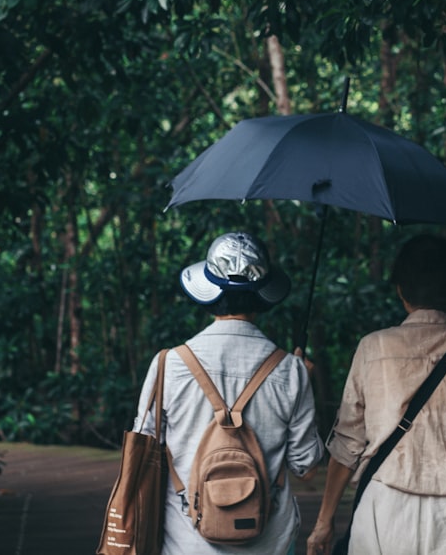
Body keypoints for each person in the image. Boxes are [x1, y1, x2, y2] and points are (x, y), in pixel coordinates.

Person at [306, 233, 446, 555]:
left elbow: (347, 444)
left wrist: (324, 522)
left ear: (400, 290)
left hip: (385, 509)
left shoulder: (373, 348)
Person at [134, 231, 324, 555]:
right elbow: (305, 466)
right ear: (261, 295)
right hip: (269, 543)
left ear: (210, 292)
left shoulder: (170, 364)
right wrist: (305, 381)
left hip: (187, 543)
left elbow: (143, 453)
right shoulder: (290, 370)